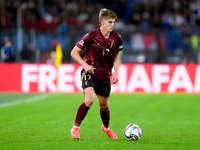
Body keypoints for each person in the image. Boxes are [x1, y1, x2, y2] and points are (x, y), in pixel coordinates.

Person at [70, 8, 123, 140]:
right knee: (89, 100)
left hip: (105, 75)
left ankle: (106, 128)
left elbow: (116, 56)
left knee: (104, 106)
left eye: (114, 22)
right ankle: (75, 128)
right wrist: (85, 65)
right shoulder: (91, 35)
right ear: (102, 22)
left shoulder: (117, 38)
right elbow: (74, 52)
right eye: (110, 22)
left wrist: (116, 72)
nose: (112, 24)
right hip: (90, 73)